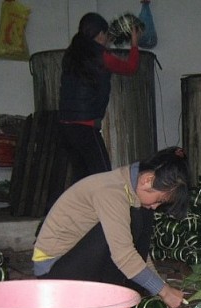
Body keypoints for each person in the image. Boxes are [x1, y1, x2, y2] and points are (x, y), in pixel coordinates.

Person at [32, 147, 189, 308]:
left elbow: (138, 252)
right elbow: (124, 255)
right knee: (135, 219)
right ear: (147, 180)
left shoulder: (129, 191)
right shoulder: (111, 192)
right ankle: (111, 299)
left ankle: (120, 295)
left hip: (75, 264)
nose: (156, 206)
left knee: (141, 215)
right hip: (55, 274)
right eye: (160, 199)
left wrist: (158, 286)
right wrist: (164, 292)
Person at [58, 12, 140, 184]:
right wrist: (134, 42)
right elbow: (131, 68)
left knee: (81, 179)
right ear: (101, 34)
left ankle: (78, 210)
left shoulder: (70, 55)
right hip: (86, 127)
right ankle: (106, 211)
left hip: (65, 127)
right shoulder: (101, 57)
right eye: (106, 35)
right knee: (103, 177)